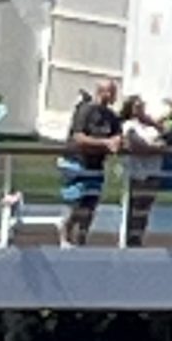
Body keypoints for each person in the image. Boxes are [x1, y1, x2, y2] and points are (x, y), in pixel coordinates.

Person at [58, 77, 120, 246]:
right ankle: (65, 235)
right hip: (76, 162)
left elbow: (116, 134)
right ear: (103, 92)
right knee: (76, 203)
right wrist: (104, 143)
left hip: (96, 164)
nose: (115, 95)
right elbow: (78, 137)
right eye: (112, 92)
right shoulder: (85, 111)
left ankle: (82, 238)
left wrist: (117, 141)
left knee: (91, 204)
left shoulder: (112, 117)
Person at [118, 93, 165, 247]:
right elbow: (136, 145)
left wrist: (152, 122)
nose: (140, 109)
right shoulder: (128, 125)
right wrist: (154, 147)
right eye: (137, 106)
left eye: (142, 105)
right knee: (135, 209)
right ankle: (129, 239)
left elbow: (165, 137)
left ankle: (138, 239)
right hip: (137, 173)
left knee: (145, 210)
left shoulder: (150, 126)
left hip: (153, 171)